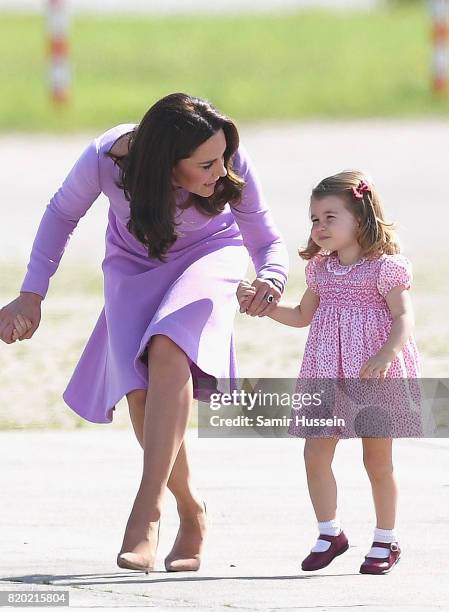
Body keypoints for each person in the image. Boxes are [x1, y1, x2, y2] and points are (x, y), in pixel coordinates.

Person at [0, 93, 288, 573]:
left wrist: (271, 277)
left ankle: (146, 512)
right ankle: (191, 511)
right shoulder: (108, 158)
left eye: (221, 158)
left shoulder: (228, 161)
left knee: (169, 344)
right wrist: (33, 293)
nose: (221, 170)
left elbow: (264, 235)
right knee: (140, 392)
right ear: (165, 164)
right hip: (132, 264)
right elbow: (61, 214)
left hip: (212, 256)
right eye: (205, 164)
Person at [237, 170, 421, 575]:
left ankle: (386, 539)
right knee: (314, 451)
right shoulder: (321, 269)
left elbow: (403, 316)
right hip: (326, 371)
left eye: (330, 217)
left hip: (373, 374)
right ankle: (329, 532)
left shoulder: (385, 268)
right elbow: (303, 316)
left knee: (377, 460)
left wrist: (388, 353)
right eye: (314, 219)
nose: (319, 227)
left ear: (361, 217)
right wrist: (264, 307)